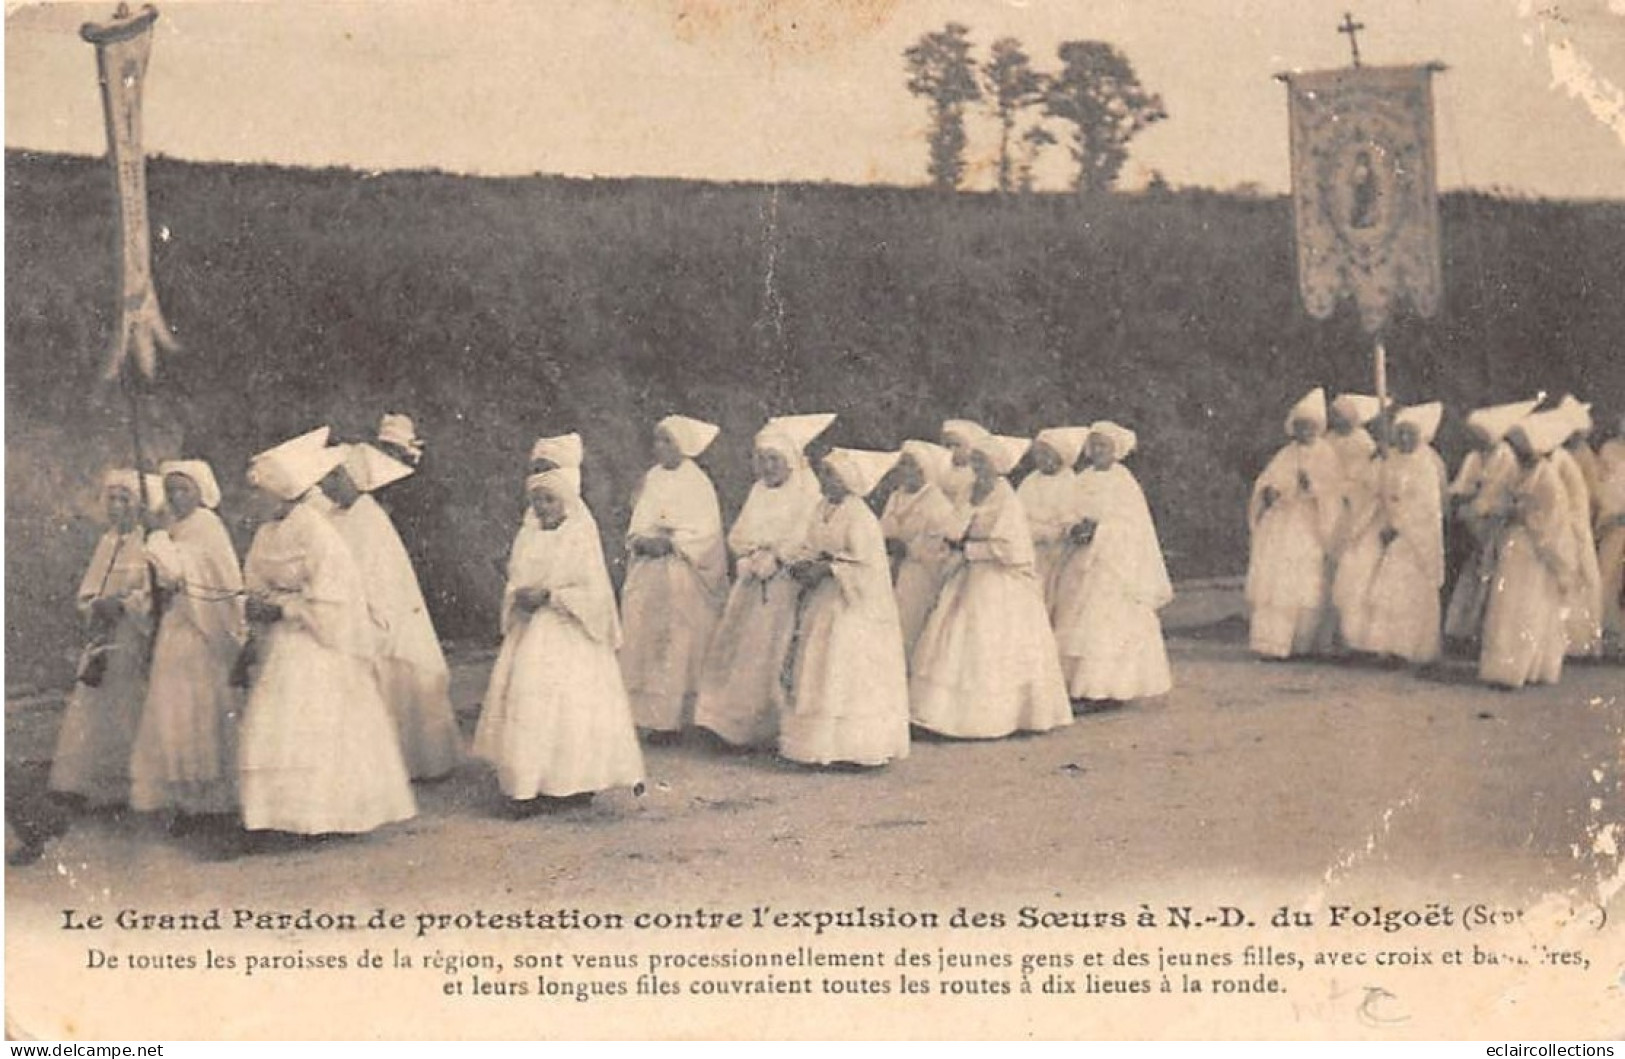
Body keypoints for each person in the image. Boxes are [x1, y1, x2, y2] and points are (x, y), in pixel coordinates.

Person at [237, 428, 417, 836]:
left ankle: (324, 816)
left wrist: (281, 608)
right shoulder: (267, 533)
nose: (254, 500)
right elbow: (254, 579)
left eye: (260, 491)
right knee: (276, 725)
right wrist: (253, 605)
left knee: (312, 723)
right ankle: (280, 817)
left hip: (316, 642)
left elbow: (333, 600)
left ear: (282, 490)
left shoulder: (316, 530)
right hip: (281, 641)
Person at [473, 467, 645, 810]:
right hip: (531, 630)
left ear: (566, 501)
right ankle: (528, 785)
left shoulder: (579, 535)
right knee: (529, 699)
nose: (542, 507)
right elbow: (517, 577)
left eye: (549, 499)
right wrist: (517, 595)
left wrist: (552, 597)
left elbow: (593, 592)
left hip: (569, 630)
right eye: (536, 499)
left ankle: (576, 783)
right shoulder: (529, 535)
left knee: (572, 707)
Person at [909, 434, 1072, 739]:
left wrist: (970, 550)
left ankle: (997, 717)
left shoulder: (1005, 497)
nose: (977, 466)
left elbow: (1011, 549)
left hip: (996, 579)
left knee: (988, 638)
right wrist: (952, 536)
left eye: (983, 461)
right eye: (976, 460)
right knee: (952, 634)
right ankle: (943, 715)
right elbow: (953, 524)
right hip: (966, 574)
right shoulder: (969, 489)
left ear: (997, 466)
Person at [319, 443, 463, 781]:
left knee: (398, 678)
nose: (328, 484)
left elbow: (377, 576)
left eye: (336, 475)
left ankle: (415, 763)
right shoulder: (331, 517)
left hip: (379, 609)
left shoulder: (369, 518)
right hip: (346, 607)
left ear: (356, 478)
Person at [694, 414, 833, 749]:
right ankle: (731, 724)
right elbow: (740, 533)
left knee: (775, 647)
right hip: (753, 581)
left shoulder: (807, 493)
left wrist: (780, 557)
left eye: (775, 460)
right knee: (741, 646)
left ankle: (767, 725)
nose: (767, 467)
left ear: (791, 462)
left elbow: (807, 537)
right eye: (762, 460)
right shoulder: (759, 491)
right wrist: (747, 555)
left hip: (787, 584)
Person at [778, 448, 911, 768]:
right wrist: (801, 563)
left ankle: (855, 747)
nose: (824, 480)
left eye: (831, 475)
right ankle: (814, 744)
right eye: (823, 473)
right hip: (824, 600)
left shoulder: (860, 517)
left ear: (848, 482)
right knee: (818, 662)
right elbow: (810, 543)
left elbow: (868, 568)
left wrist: (830, 569)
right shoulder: (820, 508)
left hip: (852, 606)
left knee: (845, 663)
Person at [130, 460, 246, 823]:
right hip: (176, 624)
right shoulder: (175, 527)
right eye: (171, 491)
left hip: (201, 628)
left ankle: (211, 795)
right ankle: (182, 794)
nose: (177, 498)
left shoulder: (207, 526)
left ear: (201, 491)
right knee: (173, 705)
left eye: (184, 490)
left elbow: (182, 572)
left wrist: (158, 540)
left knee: (198, 703)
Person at [47, 470, 156, 809]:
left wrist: (123, 605)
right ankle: (83, 782)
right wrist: (94, 604)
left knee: (126, 703)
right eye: (111, 499)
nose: (117, 506)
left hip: (129, 633)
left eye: (125, 500)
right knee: (92, 701)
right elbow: (89, 587)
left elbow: (150, 594)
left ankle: (125, 784)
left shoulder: (147, 541)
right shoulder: (107, 541)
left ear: (137, 506)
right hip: (102, 633)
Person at [1049, 421, 1174, 702]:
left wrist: (1100, 531)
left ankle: (1105, 688)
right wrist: (1073, 527)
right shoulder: (1081, 479)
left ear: (1116, 450)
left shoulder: (1124, 482)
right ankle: (1076, 684)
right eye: (1092, 445)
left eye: (1102, 446)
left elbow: (1132, 527)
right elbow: (1066, 510)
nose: (1096, 451)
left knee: (1104, 621)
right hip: (1081, 557)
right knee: (1073, 614)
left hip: (1113, 564)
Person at [620, 415, 728, 736]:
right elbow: (639, 521)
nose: (660, 447)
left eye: (668, 441)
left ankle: (674, 719)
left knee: (677, 641)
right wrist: (640, 539)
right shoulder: (652, 478)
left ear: (683, 445)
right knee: (644, 635)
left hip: (680, 571)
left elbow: (707, 532)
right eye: (657, 441)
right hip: (649, 571)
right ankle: (645, 717)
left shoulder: (698, 482)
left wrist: (672, 542)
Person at [1335, 403, 1446, 665]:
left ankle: (1407, 648)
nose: (1405, 439)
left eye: (1410, 434)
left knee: (1405, 587)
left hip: (1414, 538)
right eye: (1401, 433)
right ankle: (1386, 647)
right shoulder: (1390, 460)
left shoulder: (1425, 466)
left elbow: (1426, 507)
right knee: (1385, 590)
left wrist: (1400, 526)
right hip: (1391, 528)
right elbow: (1375, 490)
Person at [1478, 413, 1578, 689]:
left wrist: (1524, 517)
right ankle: (1502, 666)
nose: (1519, 455)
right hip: (1514, 544)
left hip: (1535, 550)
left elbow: (1552, 519)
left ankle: (1524, 668)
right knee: (1506, 605)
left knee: (1527, 605)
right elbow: (1500, 500)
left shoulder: (1548, 479)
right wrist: (1502, 512)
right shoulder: (1516, 472)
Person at [1245, 388, 1345, 659]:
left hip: (1309, 523)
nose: (1306, 431)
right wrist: (1269, 492)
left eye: (1311, 426)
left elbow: (1333, 492)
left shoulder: (1327, 454)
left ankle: (1302, 643)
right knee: (1275, 579)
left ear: (1319, 428)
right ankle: (1271, 643)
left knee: (1303, 581)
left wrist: (1312, 487)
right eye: (1301, 426)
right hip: (1282, 522)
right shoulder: (1286, 453)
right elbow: (1267, 481)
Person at [1443, 397, 1541, 646]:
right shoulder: (1475, 457)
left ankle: (1482, 634)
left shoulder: (1505, 457)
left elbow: (1498, 492)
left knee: (1491, 573)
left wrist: (1478, 505)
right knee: (1473, 574)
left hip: (1493, 521)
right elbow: (1462, 484)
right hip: (1473, 520)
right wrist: (1461, 498)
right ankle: (1463, 632)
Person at [879, 440, 963, 662]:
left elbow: (942, 547)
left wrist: (909, 549)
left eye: (907, 464)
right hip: (891, 570)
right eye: (901, 464)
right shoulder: (896, 497)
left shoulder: (937, 503)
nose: (901, 470)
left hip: (919, 573)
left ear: (923, 470)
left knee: (908, 628)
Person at [1548, 397, 1604, 658]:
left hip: (1575, 517)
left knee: (1578, 571)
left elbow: (1590, 493)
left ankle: (1578, 638)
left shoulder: (1582, 456)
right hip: (1563, 516)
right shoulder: (1562, 454)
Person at [1018, 426, 1091, 605]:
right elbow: (1018, 511)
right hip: (1028, 545)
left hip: (1056, 550)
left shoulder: (1070, 483)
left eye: (1046, 454)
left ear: (1061, 456)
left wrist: (1052, 532)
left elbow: (1070, 519)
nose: (1041, 459)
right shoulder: (1030, 481)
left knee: (1052, 593)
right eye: (1038, 454)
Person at [1595, 412, 1625, 654]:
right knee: (1607, 573)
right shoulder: (1609, 450)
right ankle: (1604, 632)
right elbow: (1602, 484)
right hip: (1613, 520)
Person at [939, 419, 990, 512]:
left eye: (957, 445)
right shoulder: (939, 470)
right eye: (948, 445)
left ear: (968, 448)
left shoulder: (975, 474)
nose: (952, 450)